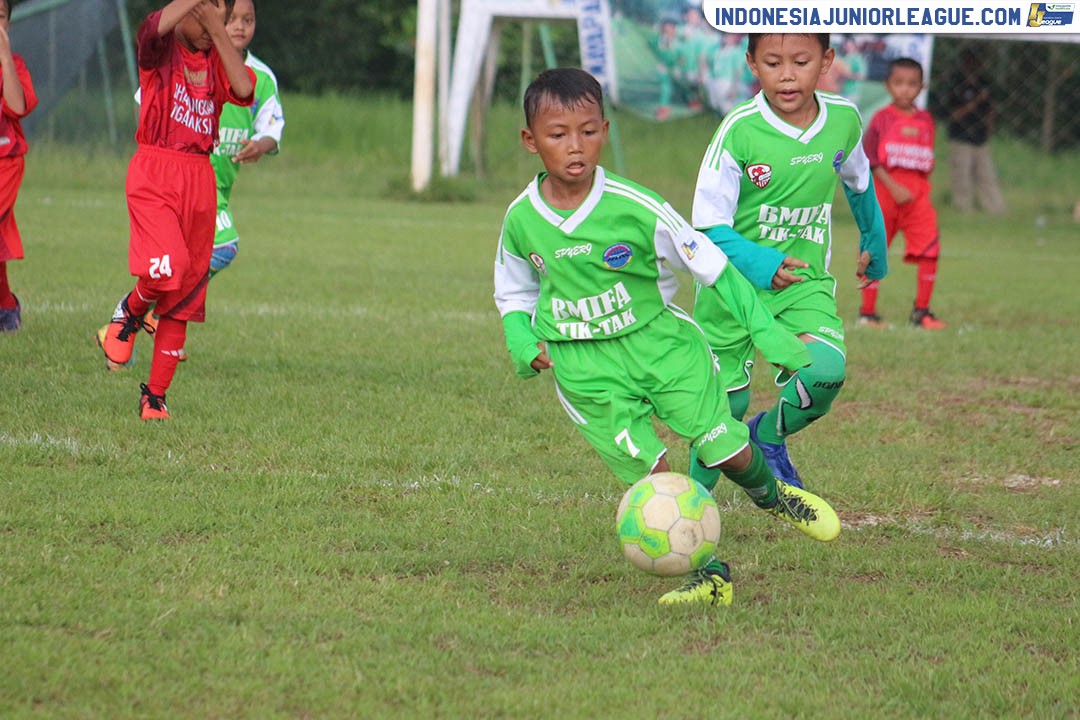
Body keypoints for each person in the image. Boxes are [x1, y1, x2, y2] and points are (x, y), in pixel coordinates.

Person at [493, 68, 841, 608]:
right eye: (558, 134)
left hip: (660, 346)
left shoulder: (637, 206)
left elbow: (713, 268)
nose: (575, 146)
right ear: (530, 140)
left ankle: (774, 497)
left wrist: (768, 333)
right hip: (585, 368)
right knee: (653, 480)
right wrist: (522, 343)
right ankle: (711, 575)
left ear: (605, 131)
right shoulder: (521, 219)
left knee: (723, 447)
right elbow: (514, 291)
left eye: (588, 131)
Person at [690, 33, 888, 489]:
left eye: (800, 61)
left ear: (826, 60)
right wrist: (762, 263)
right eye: (773, 62)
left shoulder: (843, 119)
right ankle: (694, 504)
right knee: (725, 408)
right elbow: (706, 225)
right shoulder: (739, 129)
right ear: (752, 64)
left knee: (825, 373)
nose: (787, 76)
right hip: (730, 285)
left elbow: (858, 181)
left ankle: (768, 436)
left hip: (802, 281)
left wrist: (873, 241)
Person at [95, 0, 284, 365]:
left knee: (195, 261)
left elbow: (270, 124)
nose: (238, 26)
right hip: (173, 181)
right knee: (207, 254)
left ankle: (142, 318)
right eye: (231, 19)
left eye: (247, 19)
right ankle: (147, 313)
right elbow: (149, 96)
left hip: (212, 189)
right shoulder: (178, 56)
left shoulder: (258, 75)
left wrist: (261, 144)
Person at [859, 58, 945, 330]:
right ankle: (867, 314)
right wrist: (893, 186)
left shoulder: (926, 120)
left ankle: (921, 312)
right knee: (875, 250)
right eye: (898, 83)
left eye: (912, 84)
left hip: (917, 197)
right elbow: (870, 157)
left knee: (930, 249)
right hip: (886, 193)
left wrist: (917, 187)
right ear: (888, 86)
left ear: (921, 87)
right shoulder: (881, 118)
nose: (905, 89)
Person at [0, 0, 38, 332]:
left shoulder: (14, 65)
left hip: (5, 163)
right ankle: (6, 306)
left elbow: (16, 106)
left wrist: (3, 55)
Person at [939, 48, 1006, 215]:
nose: (976, 65)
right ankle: (963, 208)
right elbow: (953, 114)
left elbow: (990, 110)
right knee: (962, 176)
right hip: (960, 137)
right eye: (971, 61)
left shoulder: (983, 83)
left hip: (980, 137)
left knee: (987, 176)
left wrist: (989, 129)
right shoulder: (956, 83)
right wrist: (975, 102)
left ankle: (995, 209)